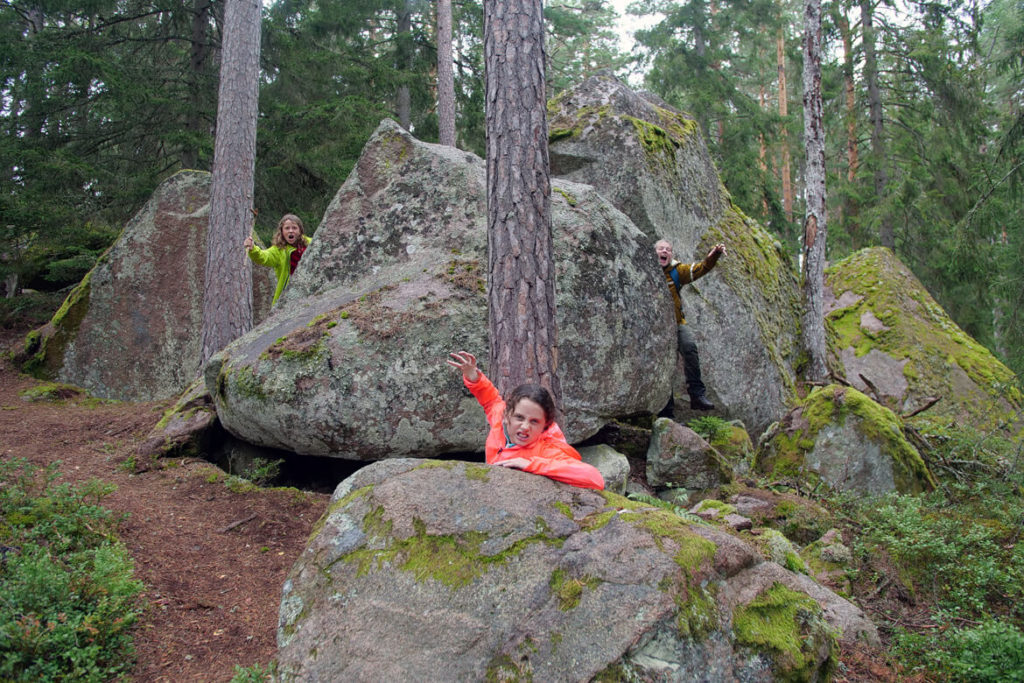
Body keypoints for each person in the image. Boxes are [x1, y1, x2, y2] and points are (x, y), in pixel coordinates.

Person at [447, 351, 604, 490]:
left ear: (544, 427)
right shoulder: (500, 418)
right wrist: (474, 377)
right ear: (507, 415)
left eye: (534, 421)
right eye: (519, 417)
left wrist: (531, 464)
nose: (525, 426)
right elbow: (491, 401)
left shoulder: (546, 450)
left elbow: (594, 477)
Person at [655, 239, 726, 412]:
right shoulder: (643, 267)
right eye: (661, 249)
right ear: (654, 252)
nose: (665, 251)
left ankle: (697, 395)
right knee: (662, 365)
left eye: (668, 249)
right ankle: (666, 411)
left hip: (677, 323)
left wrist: (714, 256)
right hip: (655, 328)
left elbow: (700, 268)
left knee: (690, 347)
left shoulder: (677, 271)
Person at [245, 213, 311, 305]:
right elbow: (264, 257)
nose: (291, 231)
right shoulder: (278, 250)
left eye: (294, 228)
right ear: (282, 231)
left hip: (311, 291)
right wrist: (253, 249)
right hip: (288, 296)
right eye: (287, 228)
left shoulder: (312, 243)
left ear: (300, 230)